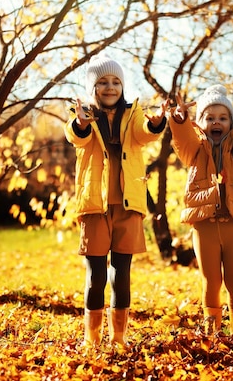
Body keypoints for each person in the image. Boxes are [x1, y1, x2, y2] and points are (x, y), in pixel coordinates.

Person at [64, 52, 167, 347]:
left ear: (122, 87)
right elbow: (75, 136)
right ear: (92, 88)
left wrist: (156, 123)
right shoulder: (80, 115)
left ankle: (119, 337)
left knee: (121, 274)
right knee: (96, 276)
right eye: (103, 82)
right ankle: (92, 339)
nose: (110, 88)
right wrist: (82, 123)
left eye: (116, 82)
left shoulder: (133, 114)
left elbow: (144, 133)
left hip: (128, 205)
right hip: (95, 206)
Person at [164, 85, 233, 343]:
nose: (217, 122)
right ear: (200, 122)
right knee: (211, 281)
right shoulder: (196, 149)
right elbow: (183, 140)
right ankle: (211, 333)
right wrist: (179, 122)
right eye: (210, 118)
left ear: (230, 123)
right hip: (204, 224)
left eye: (223, 118)